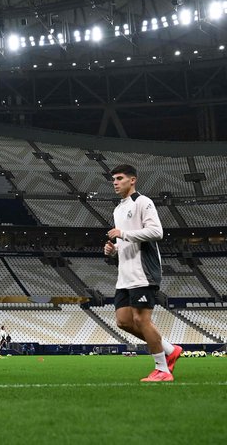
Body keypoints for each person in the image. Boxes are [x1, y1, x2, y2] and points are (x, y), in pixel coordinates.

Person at [104, 164, 182, 382]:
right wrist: (114, 249)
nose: (115, 183)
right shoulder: (118, 209)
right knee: (123, 321)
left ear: (133, 180)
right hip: (125, 275)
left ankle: (162, 370)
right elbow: (126, 242)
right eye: (113, 179)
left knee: (141, 320)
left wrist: (123, 234)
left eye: (120, 178)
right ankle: (170, 349)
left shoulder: (143, 202)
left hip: (143, 272)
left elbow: (156, 232)